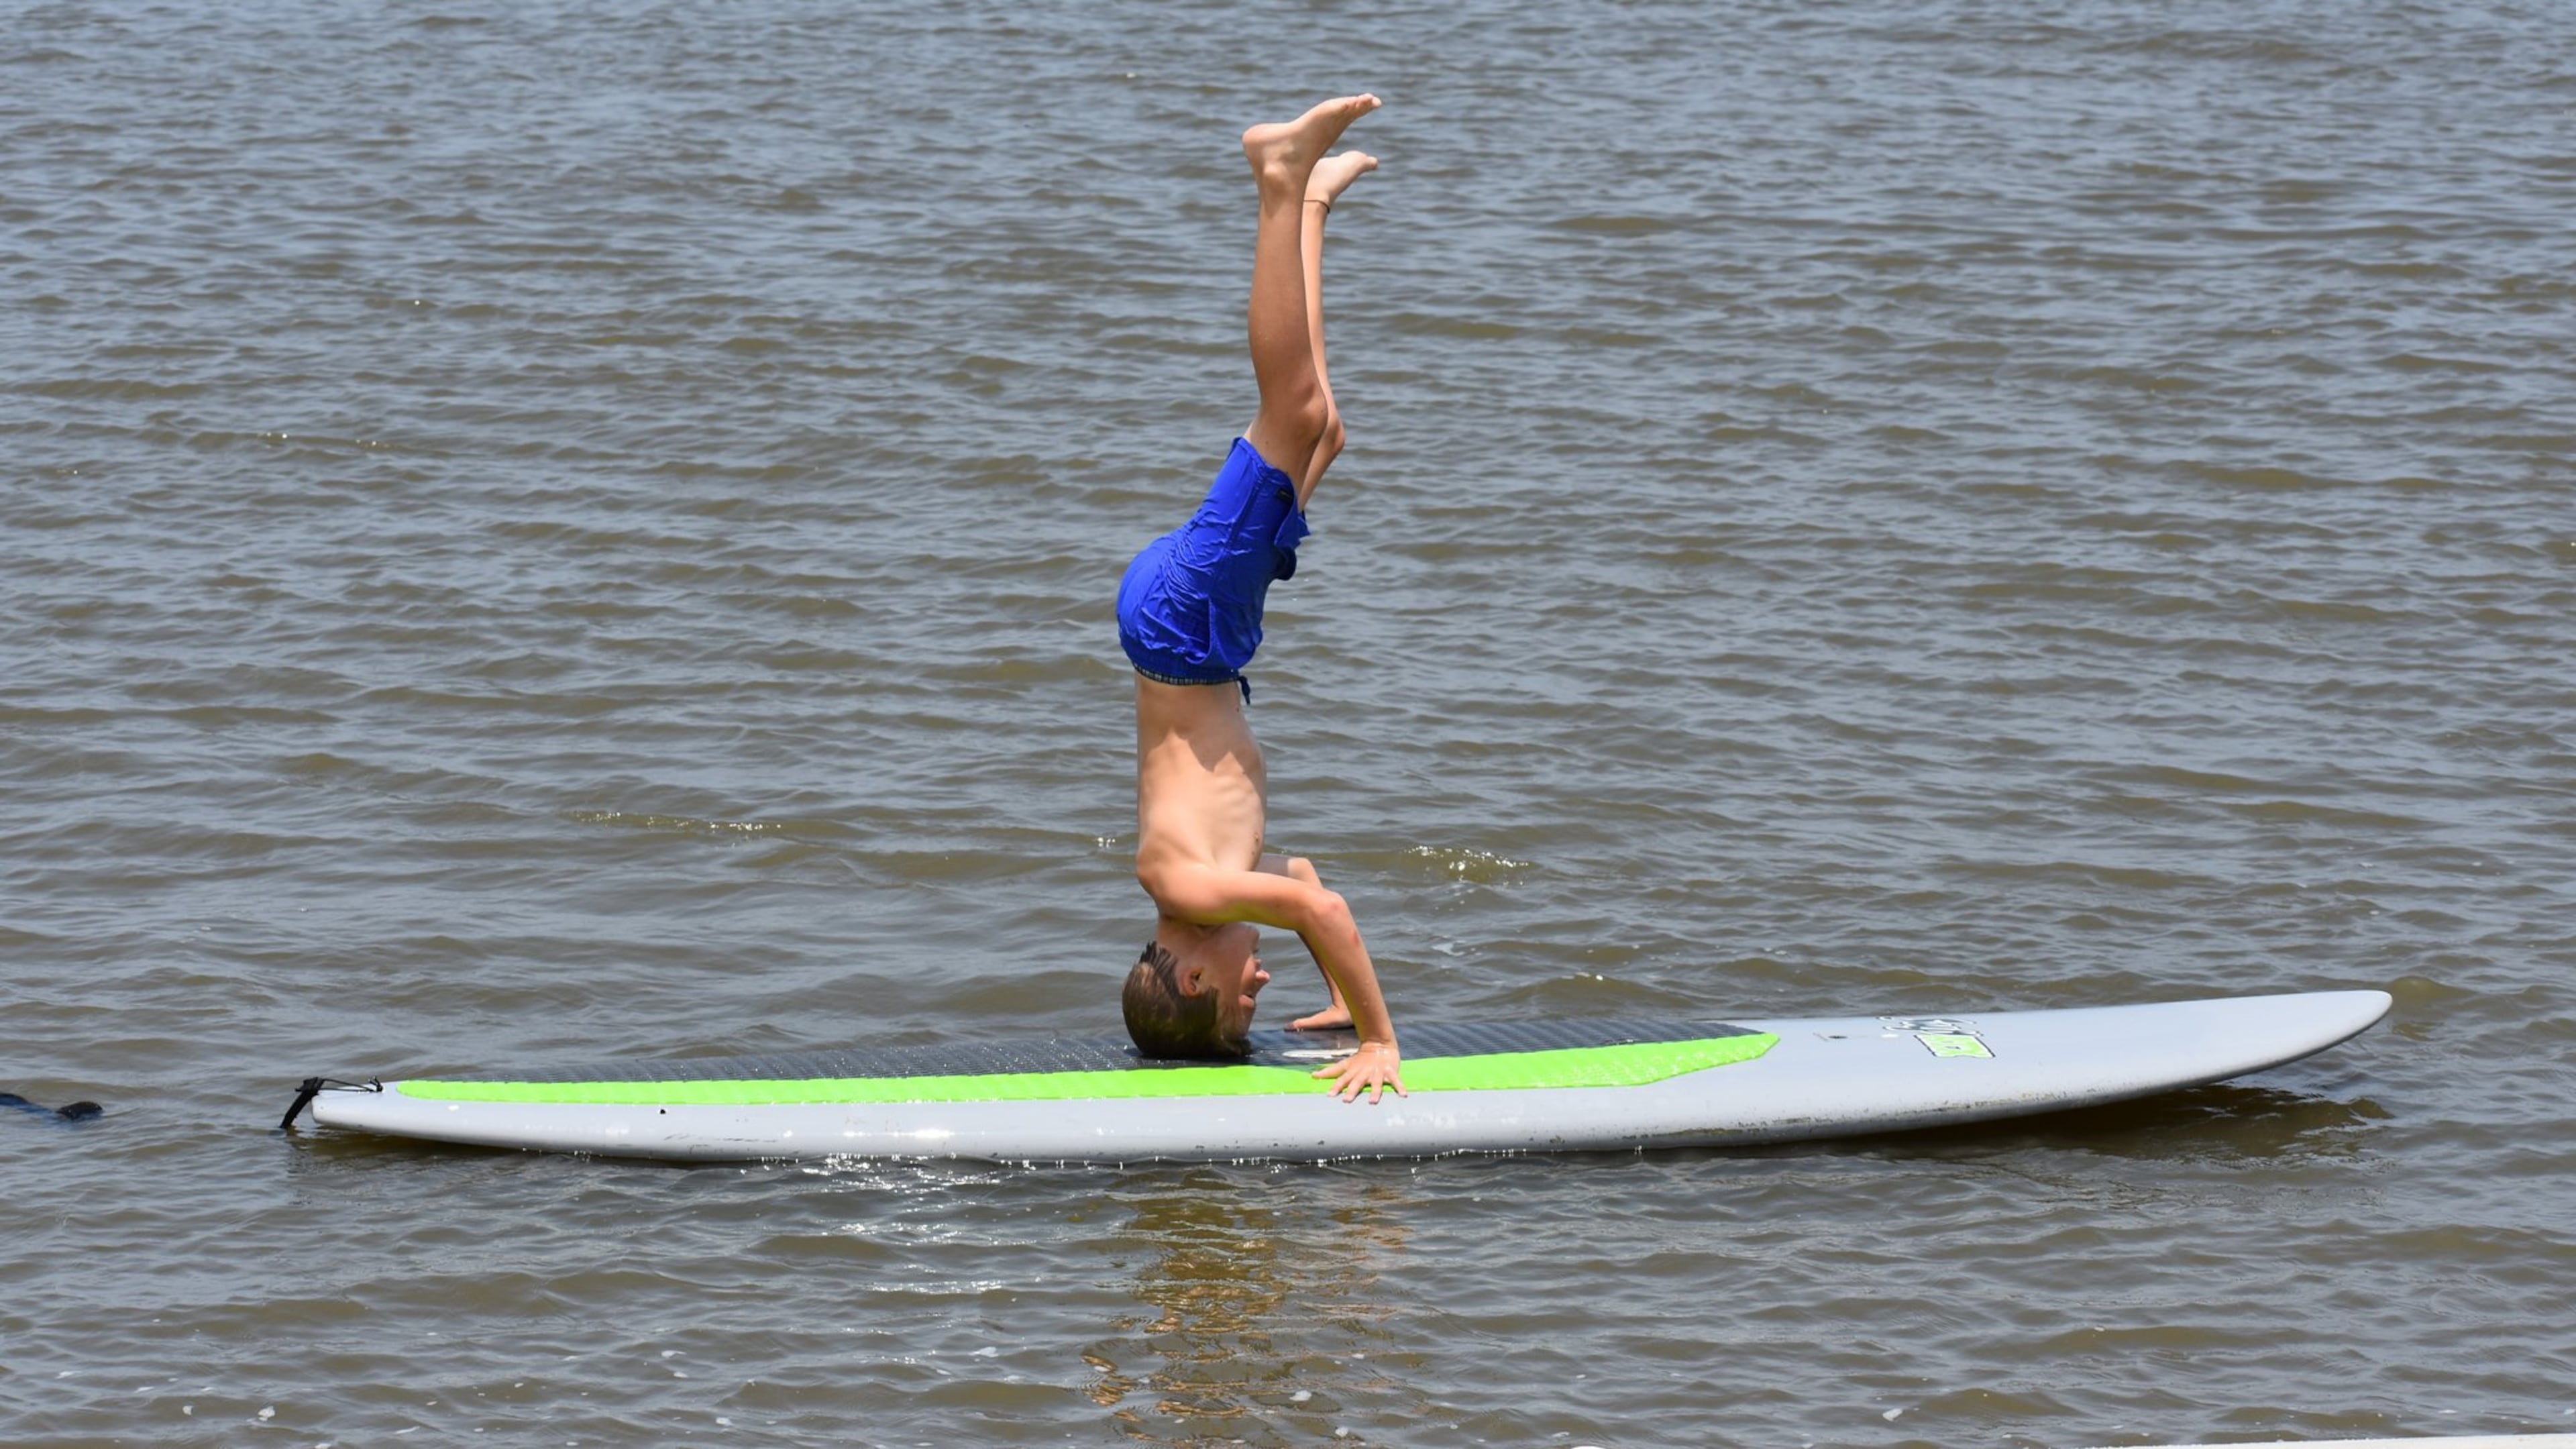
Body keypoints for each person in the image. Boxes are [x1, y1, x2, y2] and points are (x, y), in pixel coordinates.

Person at [1113, 95, 1404, 1104]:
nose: (1258, 988)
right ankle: (1311, 202)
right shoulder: (1210, 889)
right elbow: (1309, 888)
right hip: (1201, 634)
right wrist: (1339, 1001)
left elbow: (1320, 914)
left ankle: (1279, 179)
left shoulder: (1187, 887)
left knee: (1293, 408)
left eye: (1242, 1002)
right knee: (1325, 431)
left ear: (1193, 979)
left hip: (1186, 631)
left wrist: (1380, 1041)